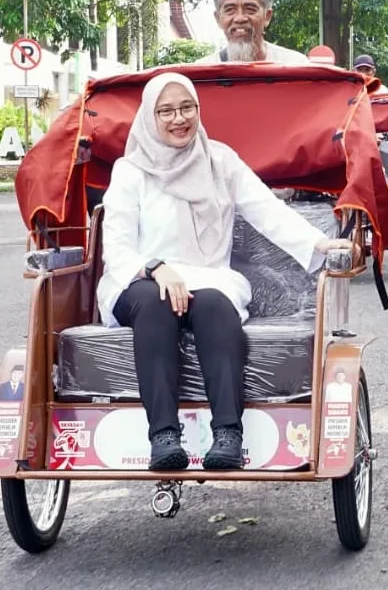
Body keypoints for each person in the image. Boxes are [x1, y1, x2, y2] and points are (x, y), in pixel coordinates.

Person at [97, 71, 354, 471]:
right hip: (140, 279)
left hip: (205, 276)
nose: (178, 118)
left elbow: (266, 210)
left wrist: (318, 244)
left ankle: (229, 434)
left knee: (216, 306)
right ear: (150, 117)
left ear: (199, 110)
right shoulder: (131, 171)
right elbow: (116, 245)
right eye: (166, 111)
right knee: (155, 304)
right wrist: (155, 269)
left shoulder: (220, 160)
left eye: (187, 108)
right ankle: (163, 436)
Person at [195, 0, 310, 65]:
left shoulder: (295, 66)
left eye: (250, 9)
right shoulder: (201, 75)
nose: (240, 18)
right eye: (230, 9)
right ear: (218, 18)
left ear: (267, 16)